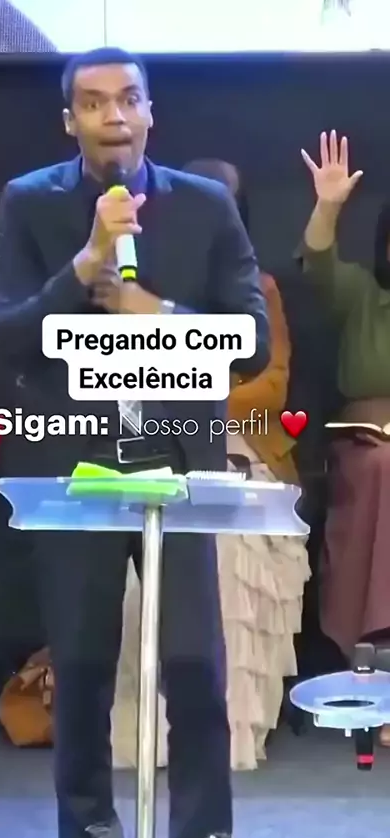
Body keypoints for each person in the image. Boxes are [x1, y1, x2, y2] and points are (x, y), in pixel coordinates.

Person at [0, 47, 269, 838]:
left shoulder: (205, 206)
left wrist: (162, 314)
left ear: (150, 113)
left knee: (194, 665)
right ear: (69, 120)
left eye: (128, 99)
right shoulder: (29, 203)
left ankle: (203, 837)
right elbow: (9, 336)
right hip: (73, 462)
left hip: (177, 461)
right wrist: (83, 266)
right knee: (79, 667)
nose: (113, 114)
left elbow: (251, 340)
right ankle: (89, 835)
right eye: (93, 102)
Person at [181, 160, 310, 768]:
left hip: (245, 450)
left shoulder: (260, 288)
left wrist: (188, 390)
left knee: (227, 549)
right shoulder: (138, 291)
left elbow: (272, 388)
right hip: (161, 451)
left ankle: (228, 731)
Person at [301, 130, 390, 746]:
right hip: (367, 443)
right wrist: (327, 207)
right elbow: (318, 263)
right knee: (384, 467)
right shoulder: (363, 295)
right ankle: (380, 670)